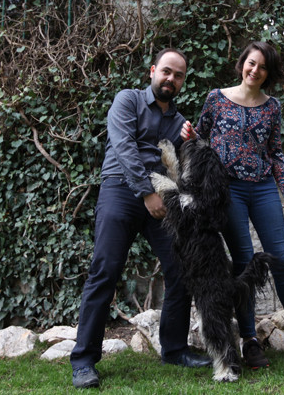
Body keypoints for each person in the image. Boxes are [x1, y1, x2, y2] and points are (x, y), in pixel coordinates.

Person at [181, 41, 284, 369]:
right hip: (227, 191)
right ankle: (249, 339)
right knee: (244, 261)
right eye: (251, 63)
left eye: (262, 66)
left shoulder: (272, 107)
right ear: (242, 64)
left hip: (262, 189)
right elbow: (199, 140)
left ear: (268, 73)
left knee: (282, 261)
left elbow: (275, 153)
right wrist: (188, 136)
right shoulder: (216, 99)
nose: (255, 70)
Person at [70, 48, 211, 389]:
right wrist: (147, 192)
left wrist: (192, 143)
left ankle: (174, 350)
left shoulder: (179, 122)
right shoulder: (128, 100)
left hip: (160, 198)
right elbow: (123, 146)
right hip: (121, 189)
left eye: (178, 75)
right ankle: (84, 361)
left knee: (180, 268)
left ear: (183, 81)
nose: (171, 79)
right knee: (105, 271)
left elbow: (182, 166)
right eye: (166, 71)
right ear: (152, 71)